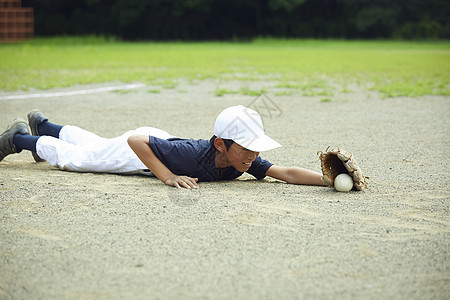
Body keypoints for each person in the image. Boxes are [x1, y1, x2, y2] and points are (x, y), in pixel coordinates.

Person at [0, 106, 326, 189]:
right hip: (141, 152)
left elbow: (286, 173)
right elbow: (134, 142)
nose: (253, 156)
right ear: (220, 145)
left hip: (157, 142)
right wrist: (168, 176)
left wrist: (329, 178)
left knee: (96, 144)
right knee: (77, 159)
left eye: (256, 149)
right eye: (247, 149)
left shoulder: (240, 160)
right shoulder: (193, 154)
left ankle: (43, 127)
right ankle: (17, 138)